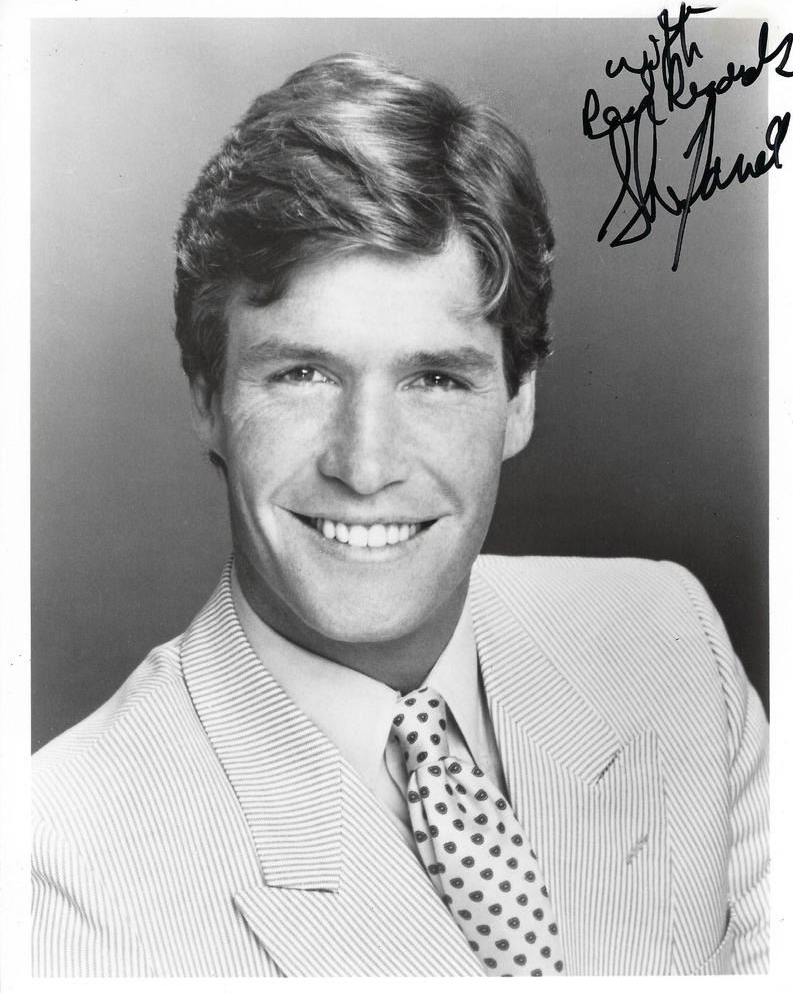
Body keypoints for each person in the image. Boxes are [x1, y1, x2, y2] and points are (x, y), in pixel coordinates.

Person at [31, 53, 768, 977]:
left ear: (518, 401)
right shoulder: (63, 865)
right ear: (207, 398)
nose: (366, 465)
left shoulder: (669, 643)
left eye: (434, 379)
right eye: (302, 373)